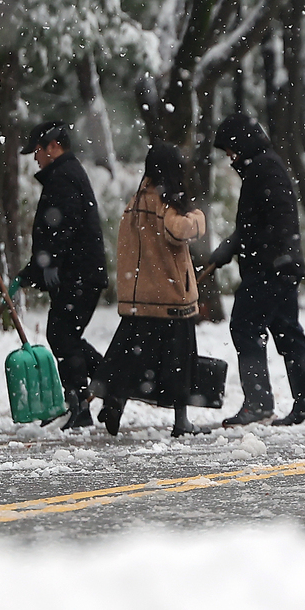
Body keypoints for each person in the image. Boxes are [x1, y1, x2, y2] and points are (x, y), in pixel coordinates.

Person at [210, 112, 305, 427]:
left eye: (230, 150)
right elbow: (257, 224)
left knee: (245, 327)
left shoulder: (263, 168)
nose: (230, 157)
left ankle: (259, 403)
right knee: (288, 333)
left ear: (241, 143)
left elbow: (264, 225)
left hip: (269, 267)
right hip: (279, 265)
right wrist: (230, 249)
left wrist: (236, 247)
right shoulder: (265, 166)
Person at [92, 145, 209, 437]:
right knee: (178, 361)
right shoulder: (165, 204)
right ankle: (181, 421)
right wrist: (197, 217)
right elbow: (177, 230)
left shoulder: (135, 202)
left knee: (133, 357)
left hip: (140, 299)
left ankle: (116, 397)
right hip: (170, 298)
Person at [17, 121, 108, 429]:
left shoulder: (64, 177)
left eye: (38, 151)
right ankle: (109, 384)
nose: (35, 158)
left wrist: (45, 263)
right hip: (80, 272)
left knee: (62, 335)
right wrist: (38, 269)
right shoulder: (67, 174)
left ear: (53, 146)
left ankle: (82, 405)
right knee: (65, 336)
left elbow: (61, 228)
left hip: (78, 274)